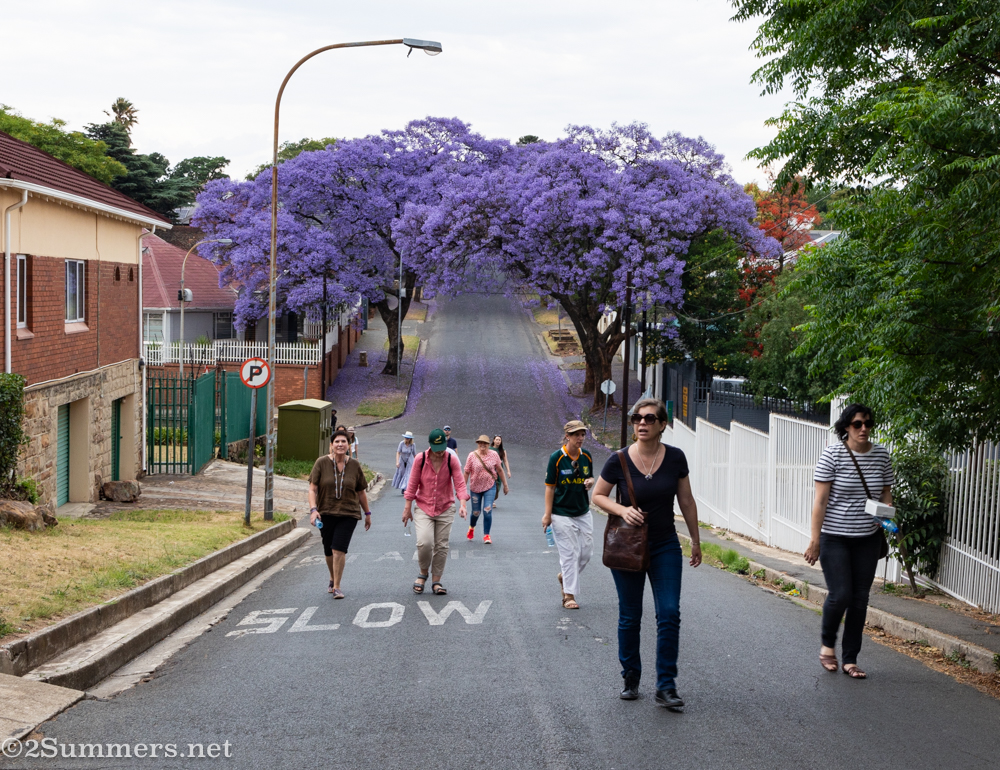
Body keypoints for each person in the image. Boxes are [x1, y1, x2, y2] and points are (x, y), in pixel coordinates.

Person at [592, 398, 701, 710]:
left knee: (668, 613)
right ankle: (630, 675)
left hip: (665, 543)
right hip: (628, 545)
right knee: (630, 614)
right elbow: (598, 495)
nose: (642, 423)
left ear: (662, 424)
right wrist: (622, 509)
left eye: (649, 418)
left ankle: (666, 685)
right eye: (636, 418)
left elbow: (687, 501)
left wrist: (695, 540)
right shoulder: (619, 459)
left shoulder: (676, 458)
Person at [805, 403, 893, 680]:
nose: (864, 428)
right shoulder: (833, 455)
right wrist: (815, 540)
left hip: (867, 538)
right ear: (846, 427)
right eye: (857, 424)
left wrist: (888, 519)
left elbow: (886, 494)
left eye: (868, 423)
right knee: (841, 594)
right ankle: (827, 646)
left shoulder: (881, 456)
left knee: (859, 599)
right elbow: (820, 501)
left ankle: (851, 659)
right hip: (835, 538)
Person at [403, 428, 470, 595]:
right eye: (437, 449)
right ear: (430, 446)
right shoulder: (421, 459)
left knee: (441, 546)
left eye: (442, 449)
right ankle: (423, 573)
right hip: (424, 506)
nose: (440, 453)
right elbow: (412, 485)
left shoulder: (451, 459)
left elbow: (460, 484)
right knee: (424, 542)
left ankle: (436, 581)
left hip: (445, 507)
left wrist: (463, 504)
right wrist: (407, 509)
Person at [308, 428, 371, 599]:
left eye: (344, 441)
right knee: (328, 550)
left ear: (349, 445)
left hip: (348, 513)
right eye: (337, 442)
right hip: (326, 512)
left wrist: (367, 513)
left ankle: (337, 586)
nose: (340, 444)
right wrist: (314, 510)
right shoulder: (321, 463)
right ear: (331, 445)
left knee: (338, 549)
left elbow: (361, 492)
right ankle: (332, 576)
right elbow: (313, 489)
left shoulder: (355, 465)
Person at [542, 420, 595, 611]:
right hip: (560, 512)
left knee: (586, 552)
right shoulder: (556, 458)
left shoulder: (586, 456)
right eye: (576, 435)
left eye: (582, 434)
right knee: (569, 553)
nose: (580, 438)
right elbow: (550, 488)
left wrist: (590, 482)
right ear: (567, 436)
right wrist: (547, 515)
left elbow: (590, 477)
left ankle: (565, 577)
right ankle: (568, 595)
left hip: (582, 511)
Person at [464, 435, 508, 544]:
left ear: (489, 444)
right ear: (477, 444)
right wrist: (463, 489)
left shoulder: (494, 455)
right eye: (480, 443)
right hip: (475, 487)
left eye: (485, 443)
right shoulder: (472, 456)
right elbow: (466, 472)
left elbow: (500, 470)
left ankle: (486, 535)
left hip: (490, 486)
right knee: (476, 512)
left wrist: (505, 485)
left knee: (487, 510)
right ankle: (471, 528)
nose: (482, 445)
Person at [491, 435, 511, 508]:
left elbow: (505, 461)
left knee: (498, 485)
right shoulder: (489, 449)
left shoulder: (502, 450)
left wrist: (508, 471)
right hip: (491, 469)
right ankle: (491, 500)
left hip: (499, 470)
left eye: (499, 440)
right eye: (497, 439)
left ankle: (493, 498)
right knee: (491, 483)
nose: (498, 441)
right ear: (493, 440)